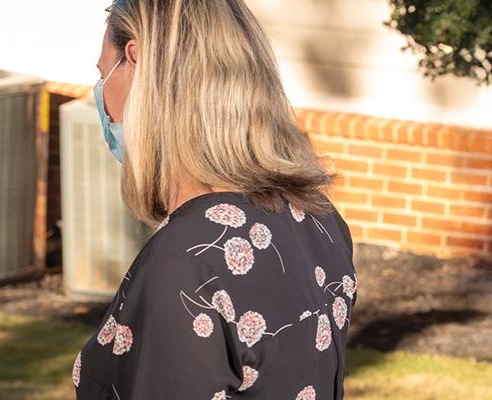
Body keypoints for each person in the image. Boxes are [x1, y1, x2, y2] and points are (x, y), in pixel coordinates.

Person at [73, 0, 357, 399]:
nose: (101, 100)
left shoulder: (185, 263)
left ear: (135, 62)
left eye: (105, 75)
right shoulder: (318, 220)